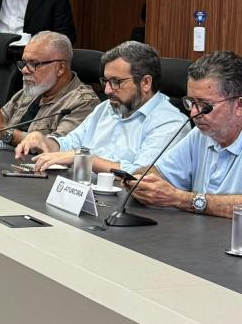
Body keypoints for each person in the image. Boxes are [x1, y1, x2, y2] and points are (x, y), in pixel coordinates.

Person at [15, 41, 187, 174]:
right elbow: (70, 144)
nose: (107, 90)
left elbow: (140, 176)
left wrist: (84, 158)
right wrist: (44, 141)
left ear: (146, 83)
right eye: (106, 81)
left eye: (116, 82)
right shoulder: (106, 108)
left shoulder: (170, 123)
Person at [131, 51, 242, 217]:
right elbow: (158, 172)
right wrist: (142, 182)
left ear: (239, 105)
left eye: (205, 105)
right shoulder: (200, 134)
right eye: (191, 102)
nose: (193, 113)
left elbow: (176, 197)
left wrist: (181, 199)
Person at [0, 31, 98, 146]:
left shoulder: (84, 103)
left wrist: (3, 132)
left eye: (34, 64)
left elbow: (56, 147)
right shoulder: (31, 90)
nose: (24, 70)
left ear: (61, 68)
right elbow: (1, 122)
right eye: (23, 63)